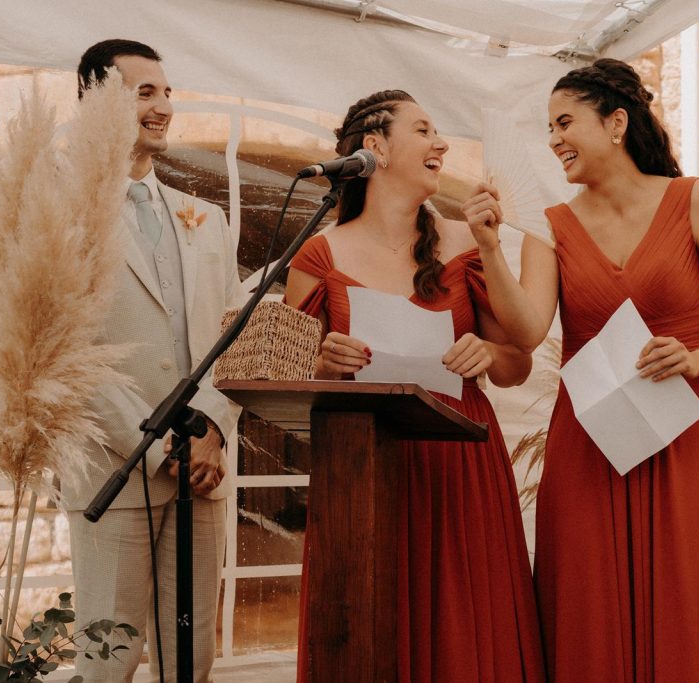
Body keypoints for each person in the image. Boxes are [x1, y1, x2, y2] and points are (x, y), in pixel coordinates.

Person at [462, 58, 699, 681]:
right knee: (588, 601)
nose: (553, 140)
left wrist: (698, 358)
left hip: (690, 435)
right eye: (548, 127)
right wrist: (492, 248)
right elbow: (525, 330)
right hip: (590, 442)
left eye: (565, 121)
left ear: (616, 124)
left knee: (692, 597)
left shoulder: (694, 201)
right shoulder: (548, 227)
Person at [284, 89, 545, 682]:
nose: (441, 144)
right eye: (424, 130)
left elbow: (517, 363)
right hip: (364, 470)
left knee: (464, 630)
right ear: (375, 148)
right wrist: (324, 363)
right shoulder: (320, 254)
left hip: (459, 466)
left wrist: (488, 352)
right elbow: (281, 368)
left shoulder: (463, 241)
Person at [63, 39, 241, 683]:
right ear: (95, 100)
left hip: (204, 473)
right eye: (145, 92)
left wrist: (214, 429)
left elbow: (232, 334)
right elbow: (63, 349)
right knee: (108, 660)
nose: (164, 107)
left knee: (189, 662)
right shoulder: (60, 211)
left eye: (167, 92)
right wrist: (155, 443)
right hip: (114, 470)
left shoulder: (207, 219)